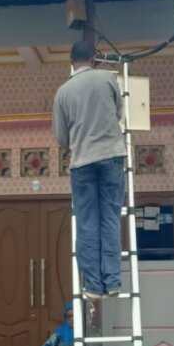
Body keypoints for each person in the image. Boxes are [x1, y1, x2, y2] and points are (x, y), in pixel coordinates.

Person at [53, 40, 126, 299]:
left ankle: (94, 286)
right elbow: (118, 114)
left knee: (87, 224)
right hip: (112, 155)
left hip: (82, 161)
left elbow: (61, 138)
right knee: (110, 218)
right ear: (94, 59)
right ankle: (113, 282)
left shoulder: (62, 92)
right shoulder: (108, 79)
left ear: (71, 62)